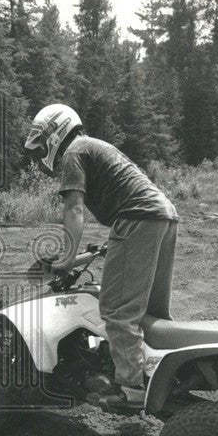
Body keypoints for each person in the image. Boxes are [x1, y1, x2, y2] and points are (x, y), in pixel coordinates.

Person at [24, 104, 179, 408]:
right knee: (150, 312)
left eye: (42, 144)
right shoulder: (92, 146)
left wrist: (67, 258)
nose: (42, 153)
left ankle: (131, 386)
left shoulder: (73, 152)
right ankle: (162, 372)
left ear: (56, 133)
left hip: (138, 217)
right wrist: (106, 247)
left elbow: (74, 208)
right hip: (163, 216)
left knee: (117, 310)